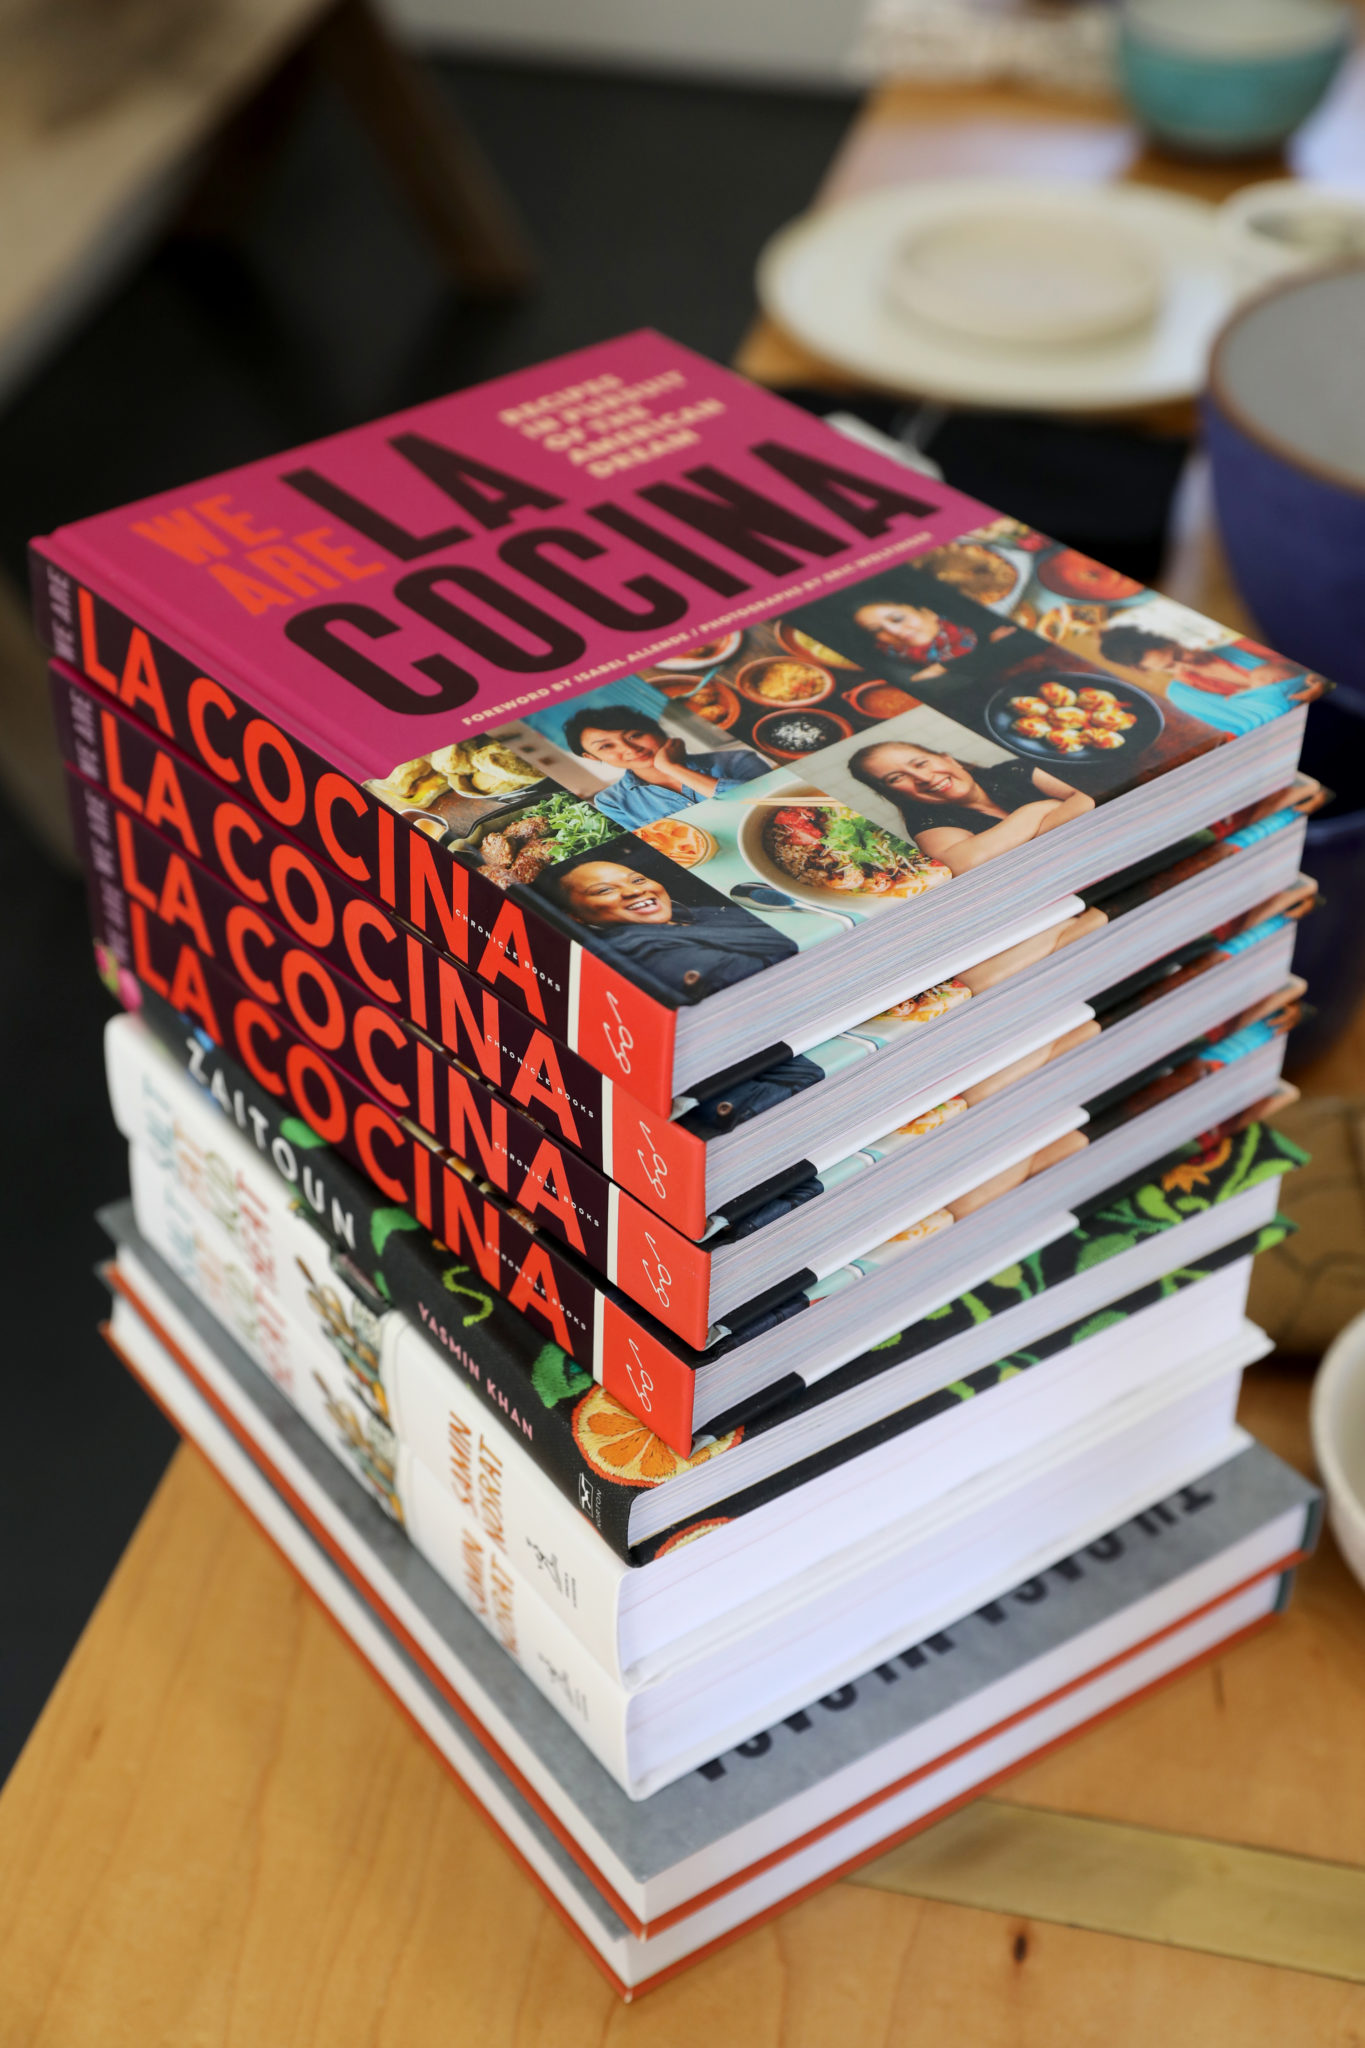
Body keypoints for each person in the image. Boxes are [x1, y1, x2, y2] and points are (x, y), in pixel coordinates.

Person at [536, 858, 797, 999]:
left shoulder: (692, 916)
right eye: (604, 890)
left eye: (637, 879)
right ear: (575, 916)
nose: (636, 890)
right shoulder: (636, 949)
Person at [848, 740, 1093, 875]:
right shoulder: (925, 822)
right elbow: (959, 864)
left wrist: (1014, 843)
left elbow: (1088, 798)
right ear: (891, 793)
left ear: (948, 759)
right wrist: (1040, 808)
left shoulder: (1013, 770)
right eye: (895, 779)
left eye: (920, 763)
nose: (921, 777)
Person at [562, 705, 769, 830]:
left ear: (657, 731)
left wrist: (671, 767)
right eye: (606, 746)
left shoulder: (738, 759)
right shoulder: (611, 802)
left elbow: (767, 804)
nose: (629, 748)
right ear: (591, 756)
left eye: (635, 735)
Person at [1097, 624, 1325, 736]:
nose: (1184, 666)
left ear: (1175, 640)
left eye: (1178, 655)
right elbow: (1238, 729)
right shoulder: (1182, 694)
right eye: (1169, 667)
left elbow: (1306, 667)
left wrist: (1317, 682)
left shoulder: (1233, 644)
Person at [852, 600, 977, 665]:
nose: (894, 631)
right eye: (876, 630)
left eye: (897, 619)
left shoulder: (981, 626)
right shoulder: (895, 663)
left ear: (928, 612)